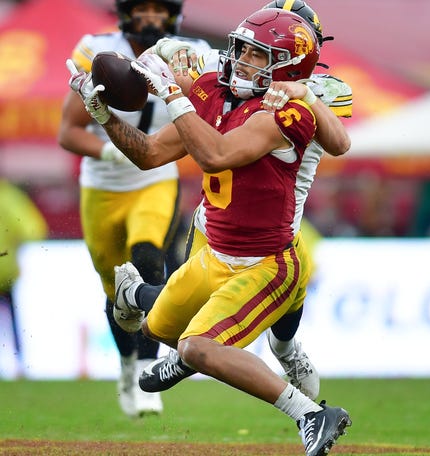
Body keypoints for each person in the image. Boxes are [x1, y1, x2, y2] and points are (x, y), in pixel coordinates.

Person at [68, 8, 352, 455]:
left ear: (292, 62)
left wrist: (174, 94)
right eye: (243, 49)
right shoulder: (215, 92)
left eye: (257, 55)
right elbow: (148, 154)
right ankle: (147, 305)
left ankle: (312, 413)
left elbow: (219, 155)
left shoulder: (289, 107)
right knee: (158, 328)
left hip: (267, 260)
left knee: (199, 347)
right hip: (215, 247)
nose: (240, 60)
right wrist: (103, 114)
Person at [57, 0, 211, 418]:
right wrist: (109, 152)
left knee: (147, 259)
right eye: (142, 8)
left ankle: (145, 369)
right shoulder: (97, 49)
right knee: (114, 289)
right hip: (103, 185)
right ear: (126, 11)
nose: (152, 18)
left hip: (154, 177)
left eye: (159, 9)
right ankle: (127, 366)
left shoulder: (190, 50)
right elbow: (68, 132)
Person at [0, 179, 48, 378]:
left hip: (5, 271)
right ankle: (20, 364)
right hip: (6, 270)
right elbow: (34, 230)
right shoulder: (8, 196)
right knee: (12, 319)